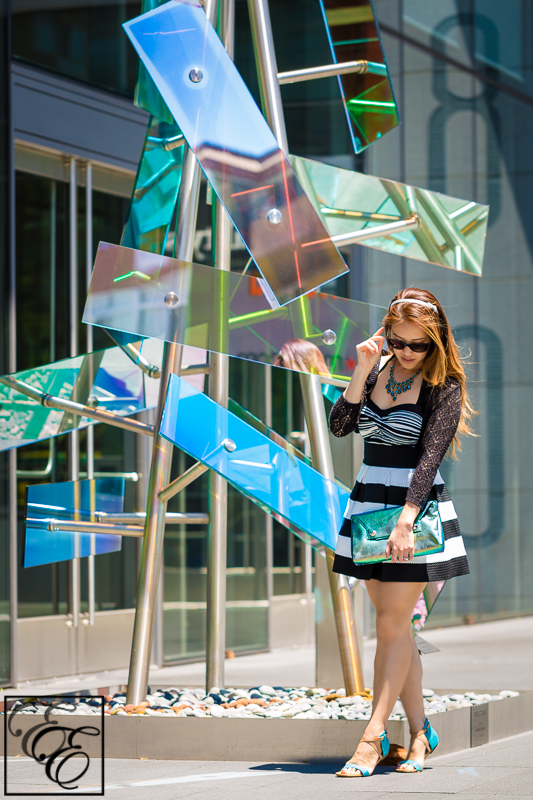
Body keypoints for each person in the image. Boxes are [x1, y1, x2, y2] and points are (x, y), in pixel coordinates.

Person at [329, 287, 474, 777]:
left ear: (436, 342)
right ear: (386, 334)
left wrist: (406, 520)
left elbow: (429, 456)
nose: (408, 353)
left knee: (392, 627)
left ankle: (372, 737)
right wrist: (361, 367)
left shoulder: (445, 383)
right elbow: (340, 425)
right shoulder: (377, 366)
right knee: (395, 629)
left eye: (419, 345)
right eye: (399, 342)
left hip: (415, 508)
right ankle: (419, 731)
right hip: (368, 501)